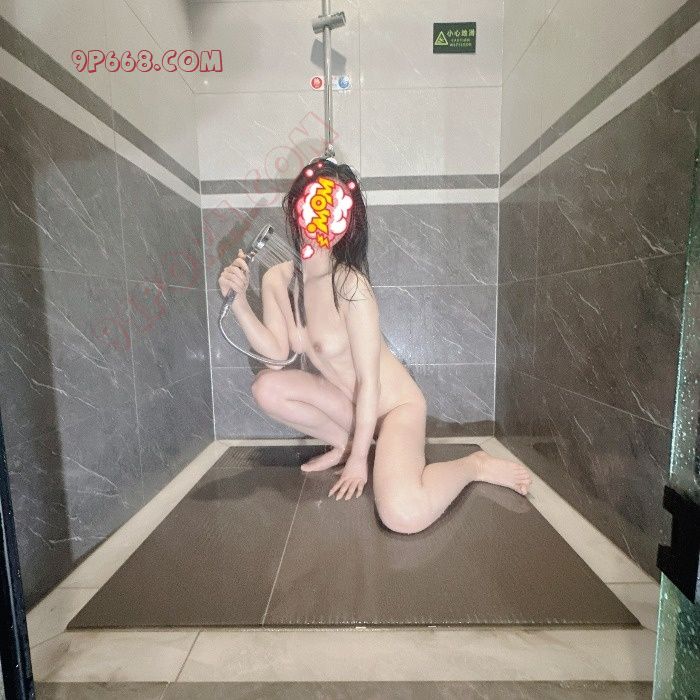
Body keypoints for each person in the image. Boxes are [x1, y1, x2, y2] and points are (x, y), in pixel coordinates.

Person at [218, 157, 531, 534]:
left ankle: (473, 465)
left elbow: (370, 382)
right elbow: (274, 356)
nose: (322, 219)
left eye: (335, 209)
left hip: (394, 408)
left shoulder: (350, 285)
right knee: (266, 386)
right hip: (348, 408)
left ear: (348, 221)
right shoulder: (278, 278)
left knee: (403, 515)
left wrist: (358, 466)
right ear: (297, 205)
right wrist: (238, 302)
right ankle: (347, 443)